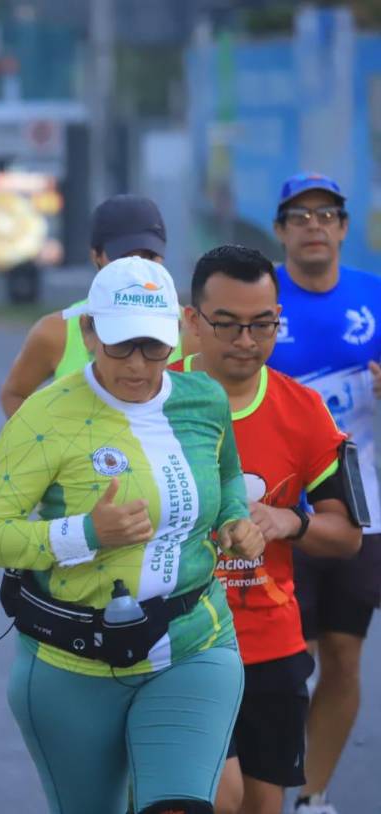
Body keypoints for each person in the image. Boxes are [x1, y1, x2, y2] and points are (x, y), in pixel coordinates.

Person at [0, 256, 266, 814]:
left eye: (154, 346)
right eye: (120, 345)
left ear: (177, 335)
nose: (138, 364)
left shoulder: (203, 399)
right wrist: (85, 533)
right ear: (88, 332)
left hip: (193, 641)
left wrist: (233, 523)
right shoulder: (45, 416)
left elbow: (226, 477)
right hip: (72, 662)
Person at [173, 245, 363, 814]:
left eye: (263, 324)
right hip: (177, 642)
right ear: (192, 321)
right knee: (216, 798)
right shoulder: (152, 399)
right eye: (227, 324)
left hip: (270, 644)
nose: (246, 341)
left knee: (261, 804)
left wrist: (291, 521)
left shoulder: (305, 411)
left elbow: (349, 533)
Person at [262, 173, 381, 814]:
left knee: (342, 654)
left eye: (325, 213)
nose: (313, 224)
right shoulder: (260, 298)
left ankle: (313, 796)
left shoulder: (375, 296)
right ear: (280, 231)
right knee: (288, 662)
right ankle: (264, 790)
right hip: (274, 508)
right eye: (298, 215)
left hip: (362, 511)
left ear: (341, 226)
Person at [0, 194, 167, 417]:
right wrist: (48, 445)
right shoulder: (57, 332)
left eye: (148, 256)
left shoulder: (191, 332)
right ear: (96, 256)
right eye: (124, 256)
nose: (134, 268)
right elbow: (14, 394)